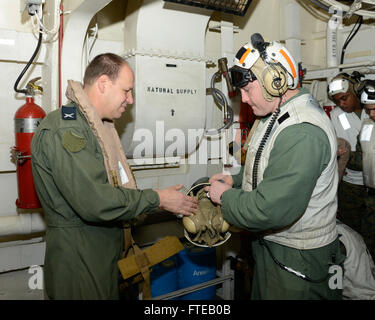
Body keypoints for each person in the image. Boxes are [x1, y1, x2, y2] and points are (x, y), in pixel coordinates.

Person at [30, 53, 198, 300]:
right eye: (126, 91)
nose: (130, 100)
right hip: (79, 263)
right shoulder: (66, 128)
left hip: (99, 258)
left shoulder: (94, 127)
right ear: (103, 83)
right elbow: (94, 201)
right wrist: (157, 199)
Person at [205, 33, 345, 300]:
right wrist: (233, 181)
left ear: (275, 81)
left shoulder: (302, 131)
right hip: (277, 251)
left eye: (247, 89)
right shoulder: (276, 114)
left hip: (298, 261)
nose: (243, 99)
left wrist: (224, 197)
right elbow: (268, 167)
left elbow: (269, 210)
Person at [327, 73, 368, 234]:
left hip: (371, 183)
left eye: (344, 98)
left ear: (355, 92)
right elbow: (342, 150)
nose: (342, 104)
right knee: (351, 230)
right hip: (351, 183)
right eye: (337, 100)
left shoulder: (370, 109)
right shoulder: (336, 115)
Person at [342, 80, 375, 261]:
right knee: (368, 241)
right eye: (369, 109)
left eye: (374, 109)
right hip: (370, 195)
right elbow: (360, 158)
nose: (371, 114)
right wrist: (341, 153)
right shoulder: (367, 126)